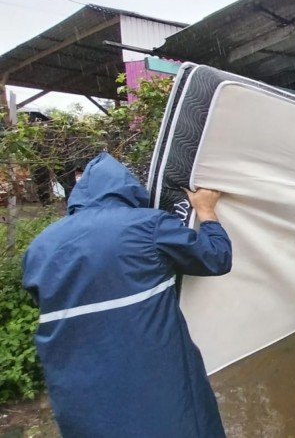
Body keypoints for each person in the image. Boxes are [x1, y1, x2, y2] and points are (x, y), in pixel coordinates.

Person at [22, 153, 232, 437]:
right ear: (127, 188)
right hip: (155, 385)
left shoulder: (39, 248)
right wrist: (206, 212)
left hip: (78, 396)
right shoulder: (147, 226)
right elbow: (217, 258)